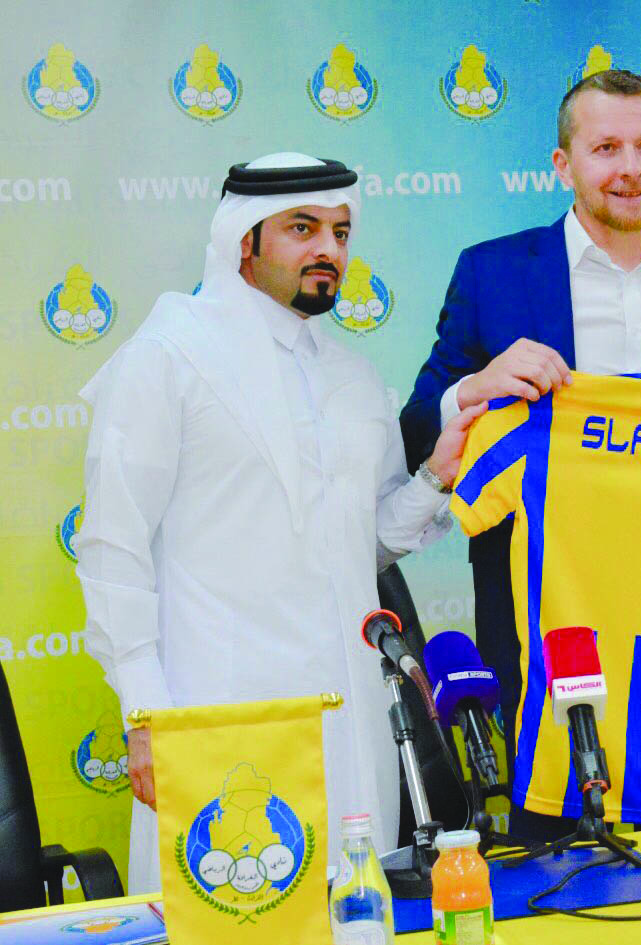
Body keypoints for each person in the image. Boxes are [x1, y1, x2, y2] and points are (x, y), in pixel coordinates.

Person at [400, 69, 641, 837]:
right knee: (560, 854)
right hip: (548, 624)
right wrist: (477, 385)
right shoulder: (492, 271)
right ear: (563, 164)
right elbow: (419, 424)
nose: (630, 168)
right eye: (606, 147)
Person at [75, 153, 483, 892]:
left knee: (353, 917)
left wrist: (434, 476)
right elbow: (113, 547)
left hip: (353, 722)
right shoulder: (166, 359)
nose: (329, 249)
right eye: (303, 228)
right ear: (243, 241)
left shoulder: (352, 377)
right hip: (219, 712)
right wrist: (147, 712)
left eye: (340, 230)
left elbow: (365, 547)